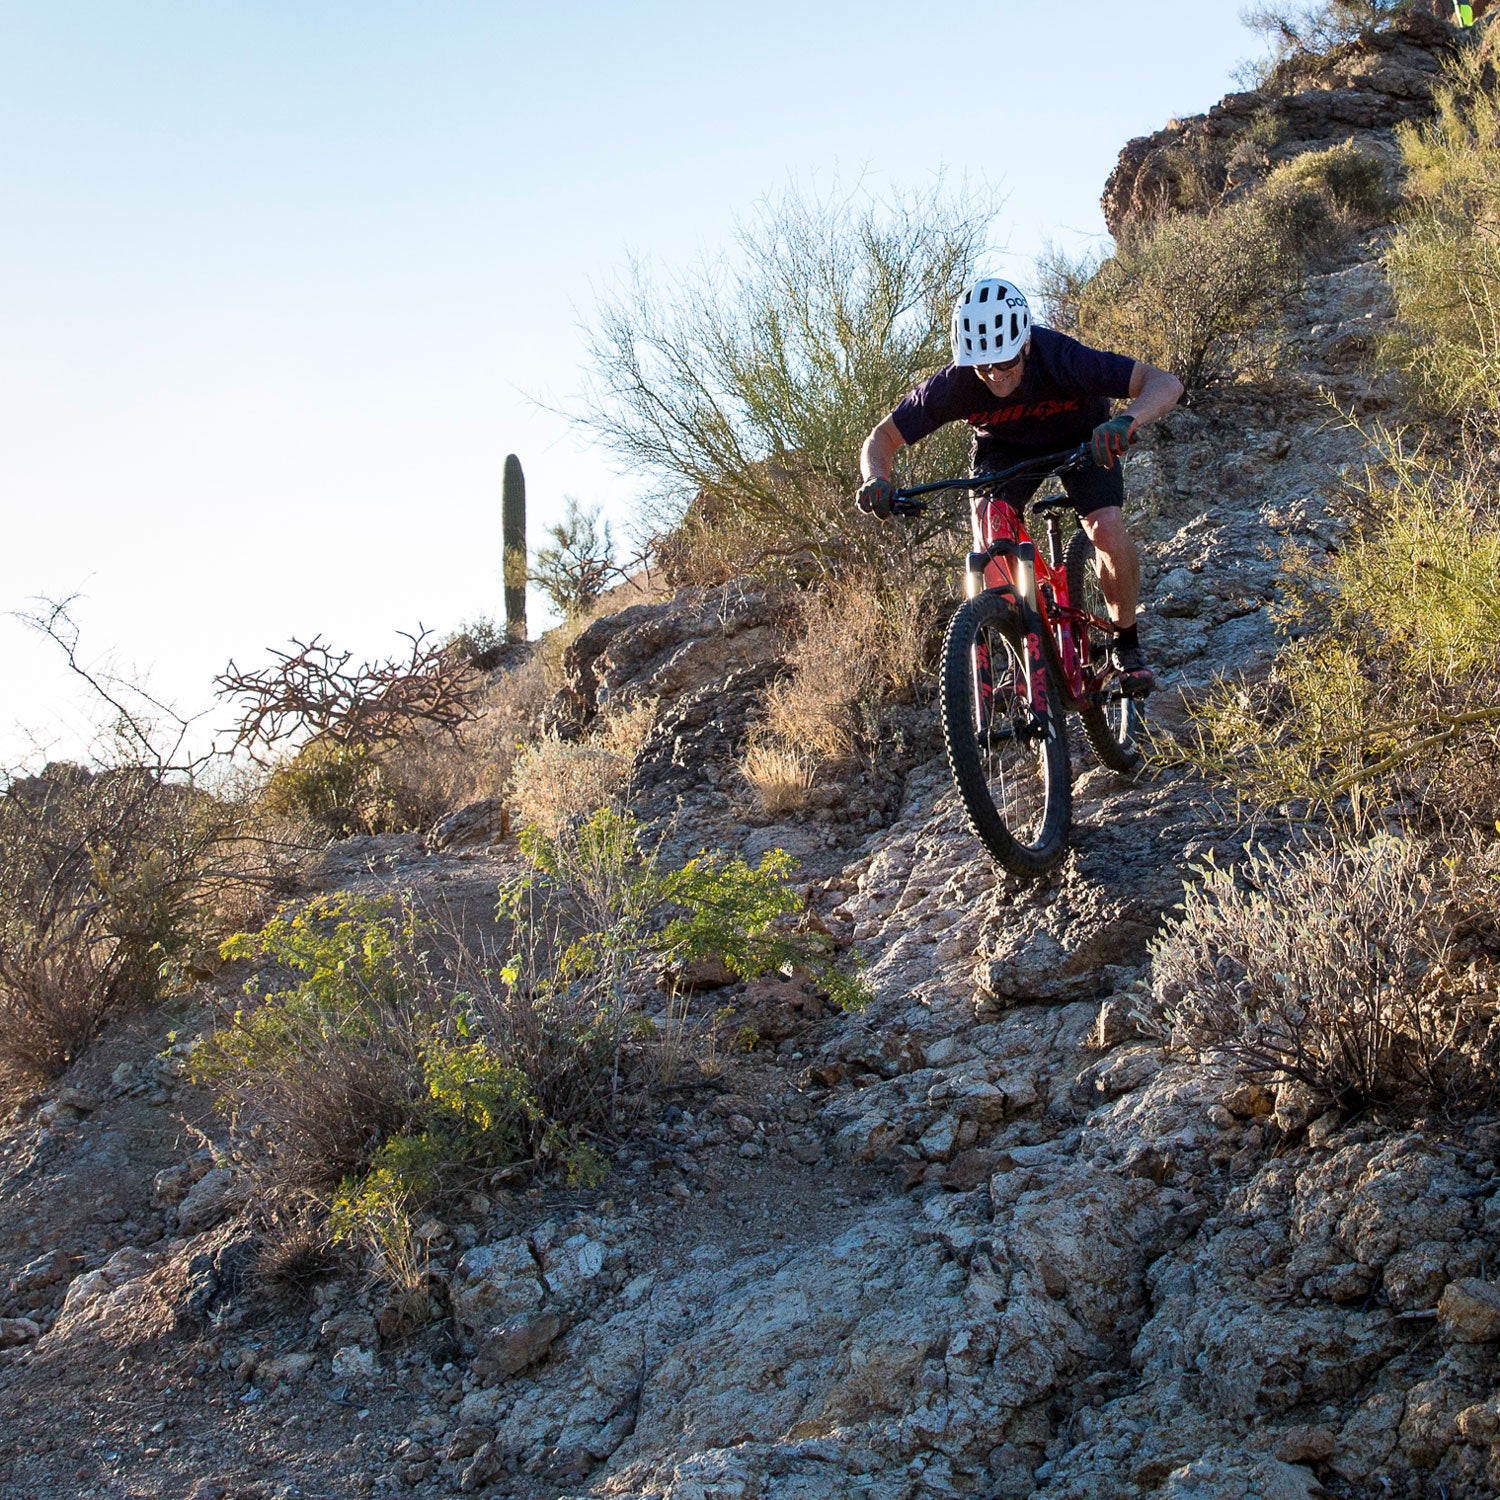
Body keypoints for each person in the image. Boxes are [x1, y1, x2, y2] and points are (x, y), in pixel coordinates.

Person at [855, 277, 1183, 695]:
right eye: (981, 365)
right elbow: (881, 438)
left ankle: (1126, 641)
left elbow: (1164, 383)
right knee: (988, 536)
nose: (993, 375)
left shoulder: (1062, 358)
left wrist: (1125, 421)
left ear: (1025, 344)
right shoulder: (956, 383)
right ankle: (1019, 649)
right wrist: (876, 478)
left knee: (1104, 528)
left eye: (1004, 362)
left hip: (1082, 440)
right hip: (1004, 449)